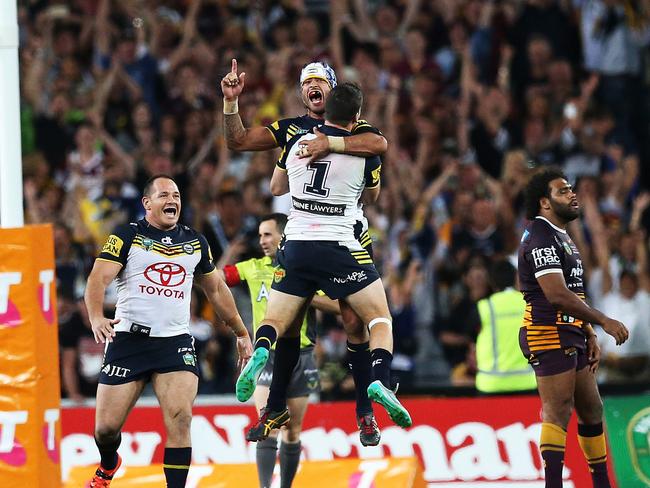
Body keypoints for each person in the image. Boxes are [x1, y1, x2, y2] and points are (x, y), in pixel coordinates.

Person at [236, 83, 412, 445]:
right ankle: (378, 379)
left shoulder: (296, 143)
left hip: (297, 244)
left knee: (276, 321)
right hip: (341, 244)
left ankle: (260, 353)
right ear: (358, 117)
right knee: (375, 319)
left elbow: (275, 186)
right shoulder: (365, 148)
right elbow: (374, 191)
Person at [84, 175, 253, 487]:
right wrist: (96, 317)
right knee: (105, 430)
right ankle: (109, 464)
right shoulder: (126, 236)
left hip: (174, 343)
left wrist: (241, 332)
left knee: (180, 418)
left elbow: (215, 289)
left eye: (176, 194)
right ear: (147, 204)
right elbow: (97, 279)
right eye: (163, 195)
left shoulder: (195, 242)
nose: (172, 200)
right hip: (128, 341)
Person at [518, 168, 629, 488]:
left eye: (571, 189)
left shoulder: (560, 234)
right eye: (563, 191)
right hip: (548, 331)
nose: (572, 194)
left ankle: (601, 483)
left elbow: (573, 292)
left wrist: (588, 332)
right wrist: (603, 321)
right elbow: (555, 295)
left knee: (592, 408)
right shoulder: (540, 236)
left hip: (572, 332)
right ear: (545, 202)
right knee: (558, 411)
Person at [221, 213, 339, 488]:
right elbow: (215, 279)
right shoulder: (252, 267)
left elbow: (338, 306)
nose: (262, 241)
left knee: (293, 430)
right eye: (260, 235)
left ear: (284, 236)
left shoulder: (307, 271)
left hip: (302, 353)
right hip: (267, 354)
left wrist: (303, 296)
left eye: (268, 234)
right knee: (267, 425)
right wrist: (230, 252)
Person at [474, 259, 536, 394]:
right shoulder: (530, 304)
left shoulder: (485, 307)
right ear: (515, 277)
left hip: (491, 384)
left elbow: (469, 337)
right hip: (526, 383)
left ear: (491, 281)